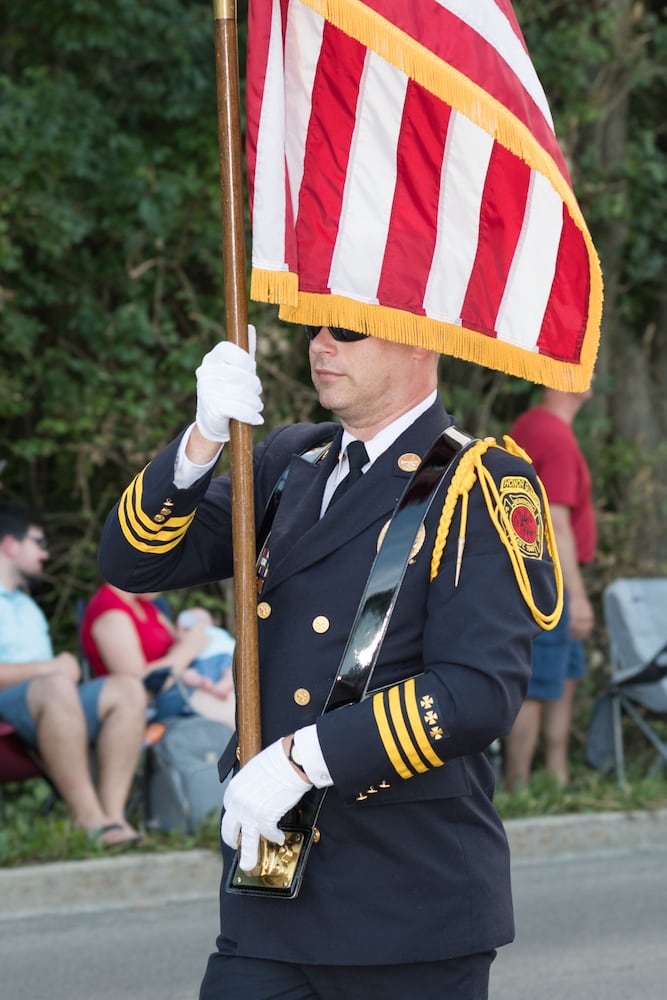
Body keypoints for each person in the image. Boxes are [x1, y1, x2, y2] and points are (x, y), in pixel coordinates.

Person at [99, 325, 560, 999]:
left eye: (347, 329)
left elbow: (475, 691)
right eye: (314, 326)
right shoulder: (292, 460)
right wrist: (201, 442)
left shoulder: (475, 483)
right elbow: (134, 561)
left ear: (419, 342)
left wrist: (299, 760)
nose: (321, 344)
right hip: (270, 894)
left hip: (405, 899)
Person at [0, 502, 146, 847]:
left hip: (49, 703)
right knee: (54, 687)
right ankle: (88, 820)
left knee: (127, 689)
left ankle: (113, 817)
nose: (45, 554)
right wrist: (49, 669)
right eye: (39, 542)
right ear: (10, 545)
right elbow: (46, 675)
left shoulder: (27, 605)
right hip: (15, 708)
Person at [503, 386, 596, 790]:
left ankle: (557, 781)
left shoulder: (537, 425)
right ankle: (518, 786)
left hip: (546, 577)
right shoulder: (552, 435)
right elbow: (555, 524)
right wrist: (575, 596)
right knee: (537, 686)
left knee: (565, 676)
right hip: (548, 580)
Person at [80, 583, 236, 726]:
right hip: (156, 702)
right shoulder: (110, 611)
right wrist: (189, 648)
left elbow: (177, 642)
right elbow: (138, 682)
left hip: (188, 683)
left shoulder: (145, 605)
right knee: (241, 718)